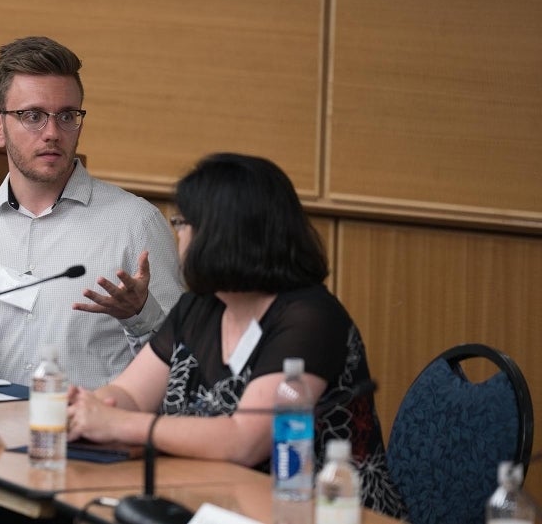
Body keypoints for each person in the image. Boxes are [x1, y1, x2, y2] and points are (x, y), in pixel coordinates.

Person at [65, 152, 407, 518]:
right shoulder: (200, 307)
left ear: (221, 233)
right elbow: (131, 392)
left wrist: (120, 424)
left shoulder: (312, 317)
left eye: (183, 222)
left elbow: (246, 441)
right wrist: (90, 409)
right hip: (213, 500)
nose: (178, 233)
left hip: (319, 512)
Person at [0, 36, 184, 388]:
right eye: (33, 116)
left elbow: (184, 368)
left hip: (96, 438)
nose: (53, 133)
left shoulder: (136, 225)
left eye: (67, 116)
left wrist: (140, 315)